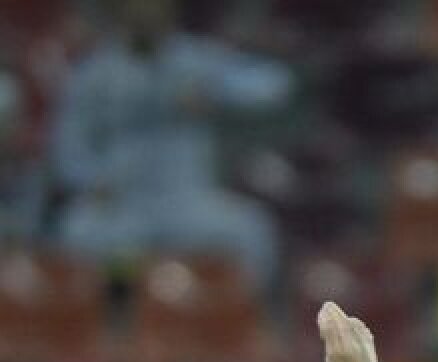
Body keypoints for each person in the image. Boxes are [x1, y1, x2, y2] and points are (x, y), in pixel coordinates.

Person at [51, 0, 291, 290]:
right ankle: (97, 327)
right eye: (137, 8)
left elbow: (274, 84)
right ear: (121, 13)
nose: (146, 13)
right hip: (123, 203)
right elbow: (68, 149)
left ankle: (236, 322)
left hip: (188, 202)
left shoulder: (195, 60)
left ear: (169, 11)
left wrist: (216, 92)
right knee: (76, 231)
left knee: (252, 230)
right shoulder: (94, 72)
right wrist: (92, 181)